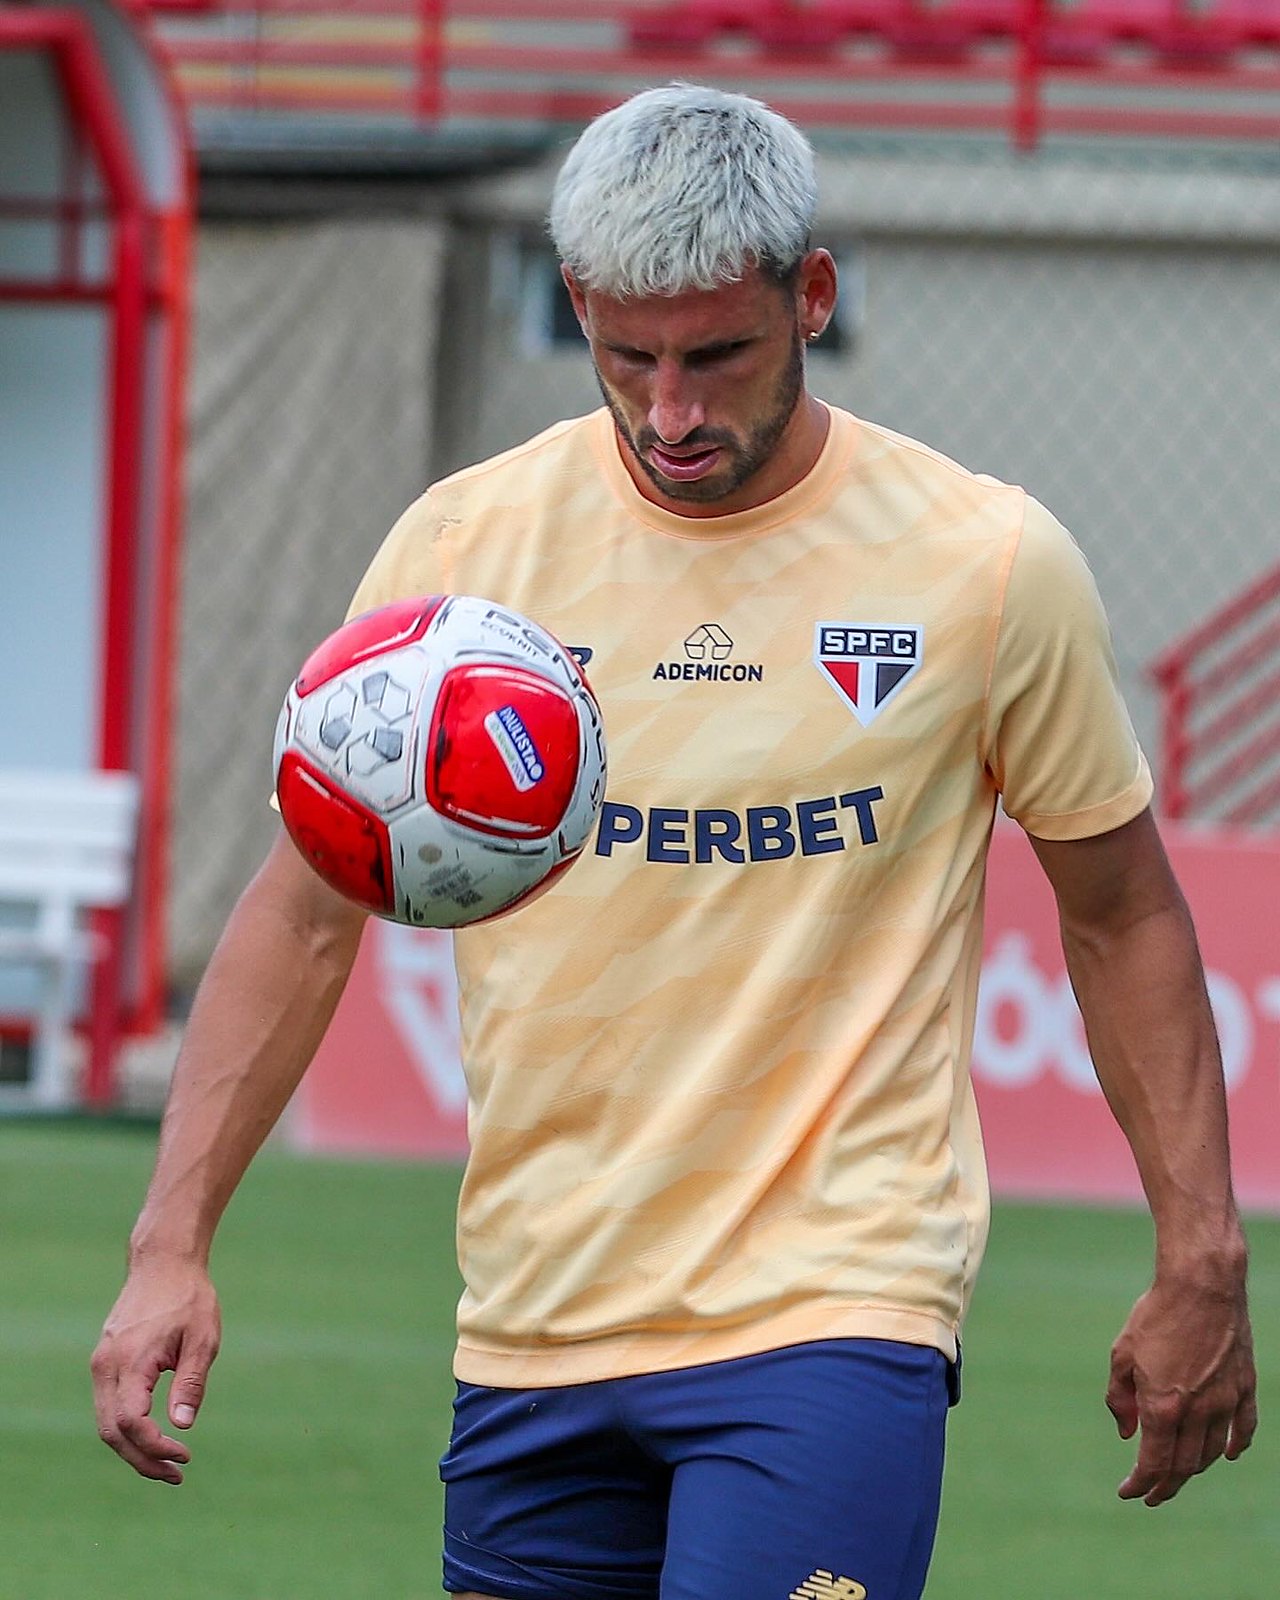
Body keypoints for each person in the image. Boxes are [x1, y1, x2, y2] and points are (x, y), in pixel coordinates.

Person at [92, 83, 1256, 1600]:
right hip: (532, 1317)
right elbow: (308, 916)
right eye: (626, 357)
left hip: (837, 1310)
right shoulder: (460, 560)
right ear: (577, 302)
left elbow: (1124, 916)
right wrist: (169, 1241)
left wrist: (1201, 1256)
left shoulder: (985, 565)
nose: (671, 412)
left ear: (812, 297)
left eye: (719, 355)